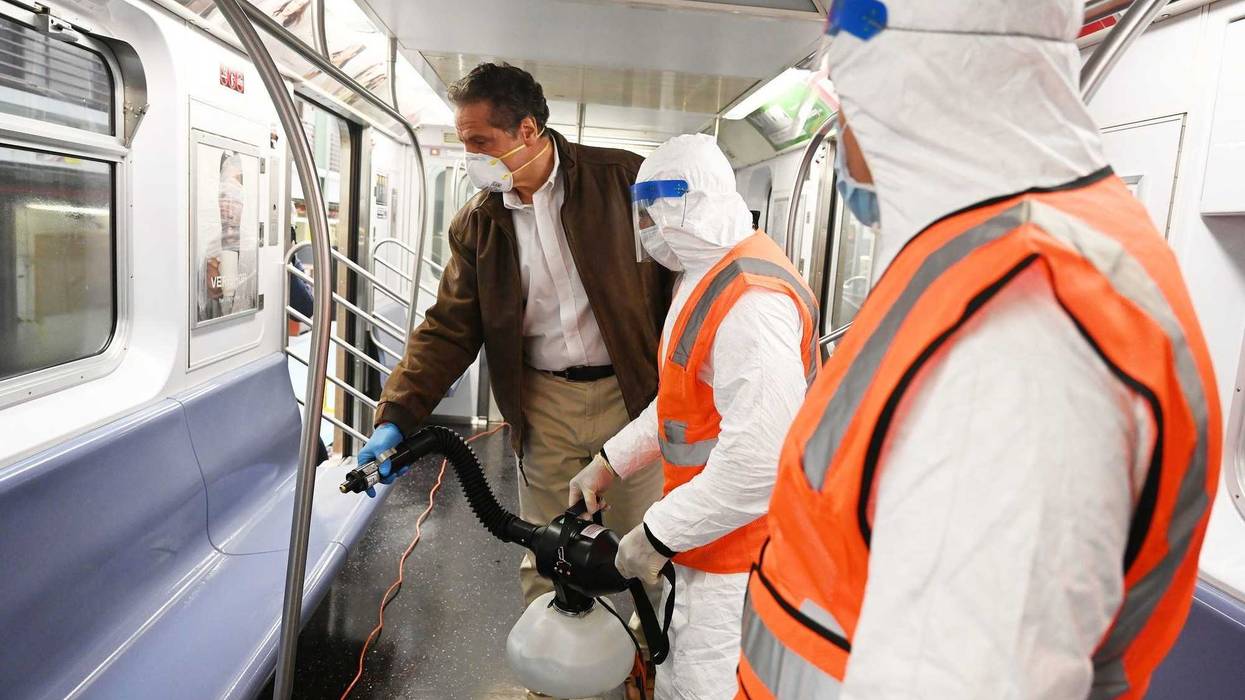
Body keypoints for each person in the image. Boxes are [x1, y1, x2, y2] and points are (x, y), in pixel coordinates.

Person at [738, 2, 1222, 699]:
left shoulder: (1023, 328)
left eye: (848, 101)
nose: (845, 135)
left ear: (902, 78)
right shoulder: (981, 258)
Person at [354, 63, 669, 614]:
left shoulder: (623, 182)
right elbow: (449, 328)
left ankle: (648, 663)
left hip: (633, 396)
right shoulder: (479, 223)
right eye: (464, 142)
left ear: (527, 130)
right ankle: (549, 682)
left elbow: (676, 286)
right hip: (544, 401)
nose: (470, 156)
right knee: (548, 549)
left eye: (480, 141)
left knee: (642, 547)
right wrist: (397, 416)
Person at [568, 134, 820, 699]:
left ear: (684, 204)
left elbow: (758, 462)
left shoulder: (753, 302)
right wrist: (610, 461)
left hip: (743, 558)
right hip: (707, 542)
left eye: (650, 214)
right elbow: (681, 400)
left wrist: (656, 536)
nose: (645, 232)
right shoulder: (706, 274)